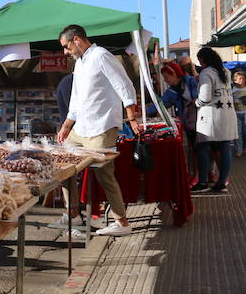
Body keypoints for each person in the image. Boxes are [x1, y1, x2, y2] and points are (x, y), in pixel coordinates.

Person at [56, 25, 139, 237]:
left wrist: (132, 117)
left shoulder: (101, 55)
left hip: (101, 127)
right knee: (62, 163)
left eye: (66, 47)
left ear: (76, 40)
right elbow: (75, 98)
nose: (65, 52)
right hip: (80, 127)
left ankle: (122, 222)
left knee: (104, 175)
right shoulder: (80, 63)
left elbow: (125, 85)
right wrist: (66, 126)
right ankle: (73, 213)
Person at [191, 47, 238, 193]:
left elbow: (205, 97)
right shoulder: (225, 71)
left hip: (211, 116)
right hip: (227, 114)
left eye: (200, 60)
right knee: (225, 148)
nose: (200, 63)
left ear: (203, 59)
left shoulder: (206, 73)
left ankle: (203, 182)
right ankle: (222, 182)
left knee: (202, 148)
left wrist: (196, 103)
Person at [146, 62, 199, 138]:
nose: (165, 80)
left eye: (166, 77)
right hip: (188, 125)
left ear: (173, 74)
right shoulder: (171, 92)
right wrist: (145, 110)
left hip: (201, 122)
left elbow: (199, 98)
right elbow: (160, 104)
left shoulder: (191, 81)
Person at [233, 70, 246, 157]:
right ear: (235, 80)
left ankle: (244, 147)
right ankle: (239, 150)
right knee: (238, 133)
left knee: (245, 132)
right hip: (236, 114)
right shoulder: (232, 89)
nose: (241, 80)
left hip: (245, 113)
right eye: (239, 79)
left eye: (243, 79)